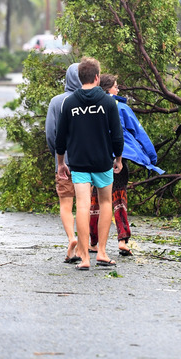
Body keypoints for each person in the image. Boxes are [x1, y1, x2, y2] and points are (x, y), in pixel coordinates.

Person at [54, 57, 124, 270]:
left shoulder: (70, 102)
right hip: (103, 161)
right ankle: (101, 252)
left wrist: (61, 163)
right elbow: (117, 135)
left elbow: (60, 136)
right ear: (96, 77)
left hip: (78, 162)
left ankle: (84, 258)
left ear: (79, 77)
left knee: (82, 205)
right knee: (105, 204)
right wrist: (118, 158)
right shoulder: (108, 102)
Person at [98, 73, 165, 256]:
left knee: (96, 201)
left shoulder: (93, 106)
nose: (118, 89)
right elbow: (139, 133)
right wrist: (151, 158)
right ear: (108, 88)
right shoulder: (121, 108)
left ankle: (93, 242)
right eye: (116, 86)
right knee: (119, 199)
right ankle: (122, 240)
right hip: (118, 159)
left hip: (97, 159)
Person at [45, 62, 82, 264]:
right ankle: (85, 248)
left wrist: (57, 156)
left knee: (66, 205)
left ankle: (71, 238)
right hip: (86, 162)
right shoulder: (89, 101)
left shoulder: (56, 102)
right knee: (84, 205)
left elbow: (51, 133)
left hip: (64, 162)